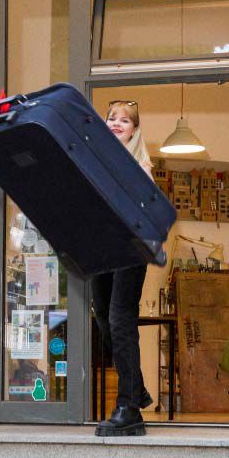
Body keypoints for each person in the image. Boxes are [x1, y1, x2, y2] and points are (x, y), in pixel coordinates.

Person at [92, 100, 153, 437]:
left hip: (130, 247)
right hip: (101, 249)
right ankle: (138, 388)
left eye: (124, 120)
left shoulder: (139, 165)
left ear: (134, 130)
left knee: (120, 320)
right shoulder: (97, 161)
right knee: (102, 315)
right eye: (111, 118)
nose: (116, 123)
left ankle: (129, 407)